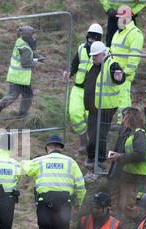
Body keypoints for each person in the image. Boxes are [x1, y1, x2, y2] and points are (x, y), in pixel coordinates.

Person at [22, 134, 86, 229]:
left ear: (49, 147)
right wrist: (79, 204)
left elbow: (24, 169)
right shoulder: (71, 162)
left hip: (45, 203)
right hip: (64, 205)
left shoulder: (40, 161)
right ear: (60, 148)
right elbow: (81, 187)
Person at [83, 41, 125, 171]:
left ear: (103, 54)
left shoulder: (111, 64)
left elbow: (119, 76)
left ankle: (100, 161)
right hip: (93, 108)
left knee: (99, 135)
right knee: (92, 132)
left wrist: (119, 78)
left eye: (95, 55)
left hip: (105, 109)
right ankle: (91, 157)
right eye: (92, 55)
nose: (93, 57)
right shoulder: (93, 65)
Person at [63, 24, 103, 154]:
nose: (91, 40)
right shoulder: (81, 48)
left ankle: (92, 147)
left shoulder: (104, 52)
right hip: (78, 88)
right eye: (89, 37)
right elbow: (74, 64)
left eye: (94, 38)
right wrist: (69, 72)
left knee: (92, 121)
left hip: (93, 91)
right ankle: (83, 140)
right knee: (74, 114)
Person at [0, 26, 44, 120]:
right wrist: (35, 62)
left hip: (15, 75)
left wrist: (39, 56)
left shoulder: (20, 42)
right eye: (34, 35)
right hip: (21, 77)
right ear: (29, 36)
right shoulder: (26, 48)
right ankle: (22, 114)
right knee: (27, 95)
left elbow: (31, 52)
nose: (35, 37)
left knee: (12, 95)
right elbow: (25, 62)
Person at [108, 107, 146, 224]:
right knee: (113, 205)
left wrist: (120, 156)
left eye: (123, 115)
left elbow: (140, 154)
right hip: (120, 174)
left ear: (130, 117)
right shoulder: (126, 132)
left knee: (127, 207)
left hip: (131, 176)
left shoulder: (139, 134)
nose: (121, 118)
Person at [110, 5, 144, 128]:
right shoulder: (119, 32)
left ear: (129, 17)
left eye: (122, 18)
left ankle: (123, 123)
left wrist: (126, 73)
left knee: (123, 98)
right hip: (115, 72)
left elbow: (134, 56)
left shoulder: (135, 33)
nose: (119, 20)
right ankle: (121, 122)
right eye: (118, 18)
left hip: (124, 73)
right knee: (117, 97)